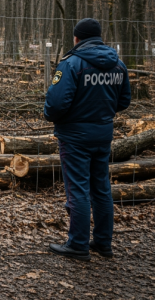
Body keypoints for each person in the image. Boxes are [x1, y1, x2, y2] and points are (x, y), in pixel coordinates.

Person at [44, 18, 131, 261]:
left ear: (76, 38)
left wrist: (53, 115)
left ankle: (78, 244)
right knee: (101, 188)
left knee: (78, 189)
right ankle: (103, 242)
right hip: (103, 134)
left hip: (74, 136)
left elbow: (56, 104)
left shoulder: (71, 64)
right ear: (99, 37)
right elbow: (123, 101)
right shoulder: (118, 65)